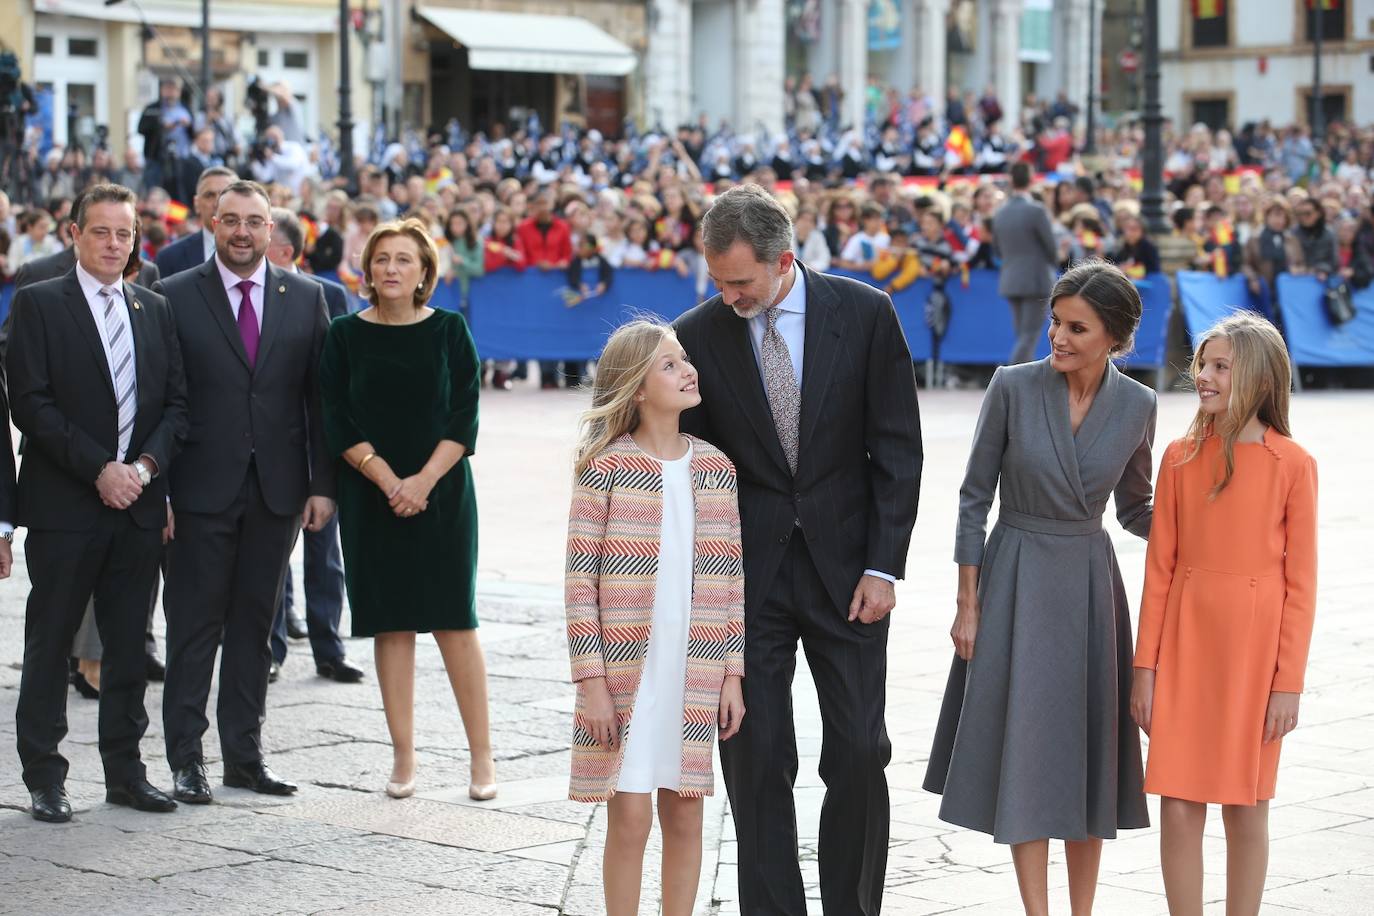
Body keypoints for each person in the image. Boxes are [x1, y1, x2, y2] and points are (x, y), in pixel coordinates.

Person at [673, 184, 922, 915]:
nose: (727, 295)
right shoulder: (697, 331)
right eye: (716, 280)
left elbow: (898, 448)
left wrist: (884, 565)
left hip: (850, 574)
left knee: (857, 751)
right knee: (754, 760)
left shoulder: (866, 313)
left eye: (741, 281)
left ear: (785, 261)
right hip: (748, 581)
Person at [926, 258, 1155, 911]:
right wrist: (966, 603)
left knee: (1089, 756)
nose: (1057, 336)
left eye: (1076, 328)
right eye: (1055, 322)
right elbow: (973, 499)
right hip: (1015, 575)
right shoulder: (1012, 386)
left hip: (1090, 584)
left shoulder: (1140, 404)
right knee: (1025, 747)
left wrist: (1208, 535)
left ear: (1114, 337)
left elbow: (1137, 508)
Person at [8, 183, 189, 823]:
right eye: (102, 232)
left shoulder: (153, 308)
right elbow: (29, 401)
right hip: (65, 506)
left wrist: (140, 469)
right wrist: (99, 469)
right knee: (51, 641)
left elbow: (175, 405)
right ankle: (44, 777)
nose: (114, 244)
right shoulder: (38, 303)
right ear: (75, 235)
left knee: (125, 647)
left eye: (125, 234)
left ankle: (125, 773)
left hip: (137, 505)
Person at [1131, 313, 1317, 916]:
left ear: (1259, 380)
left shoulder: (1292, 464)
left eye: (1218, 367)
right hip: (1185, 644)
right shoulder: (1180, 457)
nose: (1202, 377)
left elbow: (1301, 583)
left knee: (1247, 802)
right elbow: (1159, 569)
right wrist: (1145, 669)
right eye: (1201, 365)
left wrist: (1287, 683)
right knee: (1178, 803)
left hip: (1254, 654)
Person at [157, 180, 335, 804]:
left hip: (277, 493)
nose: (240, 231)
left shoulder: (307, 296)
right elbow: (163, 400)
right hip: (198, 491)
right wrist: (164, 495)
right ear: (211, 223)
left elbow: (318, 401)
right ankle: (186, 760)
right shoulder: (173, 296)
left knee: (255, 628)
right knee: (193, 628)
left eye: (253, 222)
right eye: (229, 219)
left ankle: (244, 756)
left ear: (271, 230)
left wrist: (320, 485)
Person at [564, 320, 745, 916]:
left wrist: (732, 675)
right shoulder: (606, 466)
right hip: (623, 674)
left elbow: (731, 580)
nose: (687, 370)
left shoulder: (716, 468)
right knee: (631, 814)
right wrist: (591, 685)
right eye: (669, 365)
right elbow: (579, 580)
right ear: (636, 388)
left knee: (687, 808)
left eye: (684, 359)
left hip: (694, 670)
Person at [318, 218, 496, 801]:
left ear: (424, 273)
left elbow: (464, 415)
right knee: (388, 623)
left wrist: (420, 481)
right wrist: (389, 479)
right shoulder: (344, 332)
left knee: (454, 620)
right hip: (370, 497)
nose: (391, 268)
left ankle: (482, 758)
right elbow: (336, 415)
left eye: (404, 260)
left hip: (444, 494)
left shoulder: (450, 330)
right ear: (367, 269)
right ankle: (403, 759)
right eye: (382, 259)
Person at [263, 208, 361, 684]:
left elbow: (339, 373)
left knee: (325, 554)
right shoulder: (248, 296)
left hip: (319, 444)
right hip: (271, 448)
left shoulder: (329, 294)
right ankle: (272, 649)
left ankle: (329, 647)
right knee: (272, 554)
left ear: (283, 251)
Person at [995, 162, 1059, 364]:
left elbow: (997, 250)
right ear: (1031, 180)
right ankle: (1013, 378)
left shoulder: (1000, 212)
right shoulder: (1037, 211)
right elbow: (1051, 248)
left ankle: (1019, 379)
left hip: (1010, 278)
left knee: (1022, 335)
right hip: (1035, 279)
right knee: (1028, 336)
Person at [154, 166, 236, 278]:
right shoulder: (169, 258)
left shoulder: (257, 251)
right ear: (196, 204)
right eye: (209, 195)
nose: (217, 203)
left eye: (225, 195)